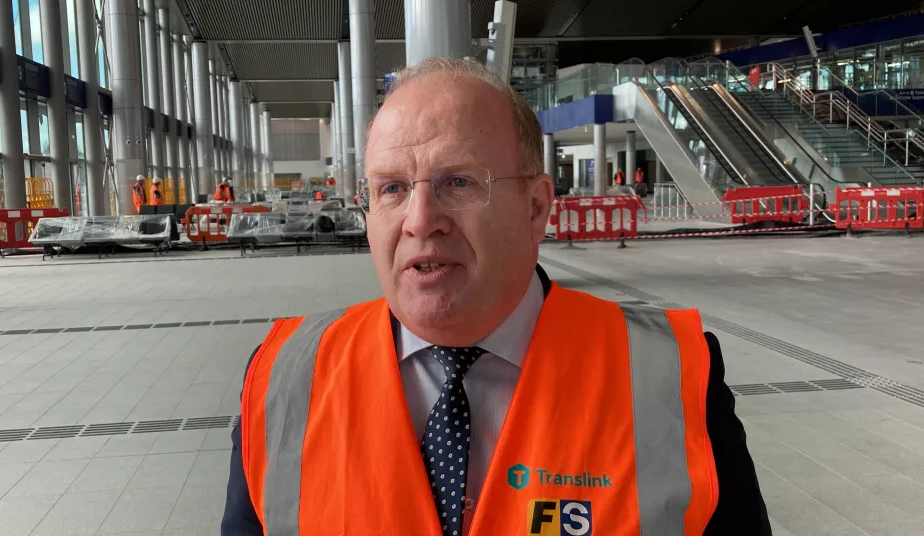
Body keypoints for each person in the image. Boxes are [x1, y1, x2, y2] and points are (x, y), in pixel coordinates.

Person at [222, 58, 770, 536]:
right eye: (391, 188)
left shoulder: (667, 375)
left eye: (459, 182)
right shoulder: (285, 378)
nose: (419, 221)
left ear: (536, 208)